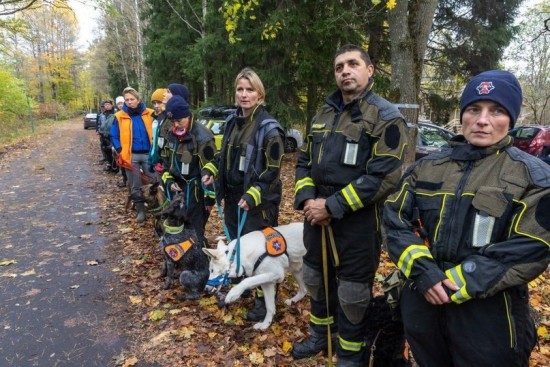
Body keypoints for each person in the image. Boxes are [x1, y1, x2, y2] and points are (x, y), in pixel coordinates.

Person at [384, 70, 550, 367]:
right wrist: (423, 272)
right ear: (463, 115)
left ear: (510, 119)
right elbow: (395, 222)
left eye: (496, 110)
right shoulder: (426, 168)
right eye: (474, 109)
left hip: (489, 315)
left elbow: (532, 246)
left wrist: (461, 279)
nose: (482, 119)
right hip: (424, 304)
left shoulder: (534, 177)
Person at [293, 44, 408, 366]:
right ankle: (321, 335)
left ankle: (349, 354)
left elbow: (385, 176)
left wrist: (332, 206)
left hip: (359, 221)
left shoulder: (386, 117)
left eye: (353, 64)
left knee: (353, 295)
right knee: (315, 278)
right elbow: (303, 162)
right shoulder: (323, 113)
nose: (345, 70)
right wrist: (306, 199)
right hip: (314, 215)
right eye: (339, 66)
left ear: (369, 69)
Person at [202, 67, 285, 322]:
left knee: (261, 252)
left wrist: (253, 195)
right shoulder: (230, 122)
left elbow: (273, 171)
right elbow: (221, 156)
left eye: (250, 90)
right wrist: (211, 169)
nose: (244, 94)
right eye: (240, 89)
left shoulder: (270, 128)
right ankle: (246, 286)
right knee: (239, 249)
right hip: (232, 197)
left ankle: (265, 302)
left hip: (259, 202)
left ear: (260, 95)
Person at [160, 95, 216, 246]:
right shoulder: (170, 135)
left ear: (188, 115)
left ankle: (200, 260)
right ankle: (181, 255)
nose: (176, 125)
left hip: (195, 191)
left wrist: (210, 198)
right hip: (175, 191)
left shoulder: (202, 136)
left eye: (180, 120)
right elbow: (164, 164)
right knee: (178, 227)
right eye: (173, 122)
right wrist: (169, 181)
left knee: (195, 229)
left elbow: (212, 165)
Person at [110, 87, 155, 223]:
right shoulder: (119, 116)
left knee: (154, 183)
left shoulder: (150, 114)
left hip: (149, 155)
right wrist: (119, 151)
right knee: (135, 185)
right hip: (131, 156)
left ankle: (155, 209)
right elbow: (114, 135)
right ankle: (141, 211)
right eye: (127, 100)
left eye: (132, 99)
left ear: (138, 99)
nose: (129, 102)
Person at [148, 88, 167, 176]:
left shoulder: (169, 121)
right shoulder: (155, 120)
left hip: (164, 162)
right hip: (156, 161)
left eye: (159, 102)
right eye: (154, 103)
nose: (156, 106)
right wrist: (151, 160)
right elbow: (154, 142)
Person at [97, 100, 118, 172]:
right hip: (103, 136)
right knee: (106, 151)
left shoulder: (115, 114)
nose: (107, 106)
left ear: (111, 105)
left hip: (111, 136)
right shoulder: (102, 114)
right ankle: (110, 165)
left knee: (113, 152)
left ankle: (115, 167)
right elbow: (99, 123)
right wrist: (100, 130)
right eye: (105, 105)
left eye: (108, 104)